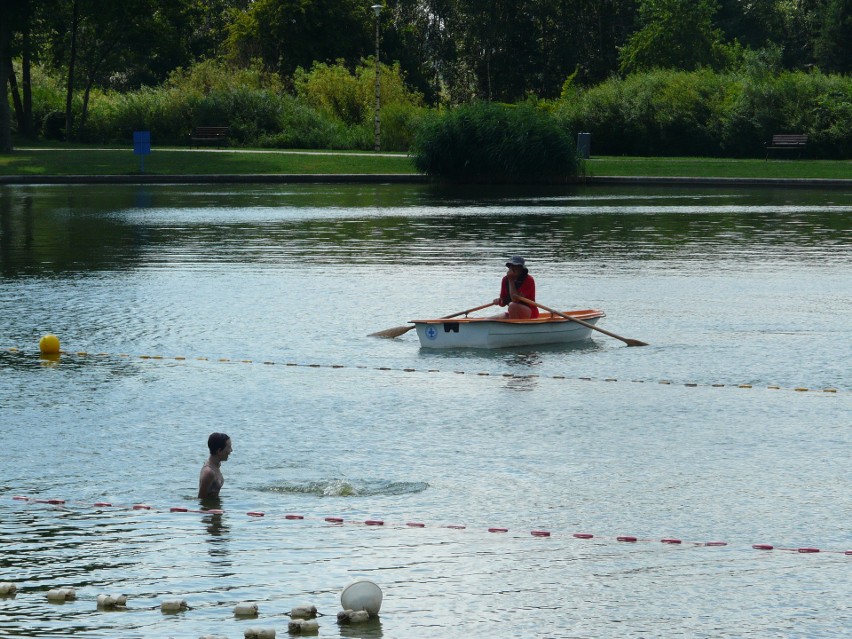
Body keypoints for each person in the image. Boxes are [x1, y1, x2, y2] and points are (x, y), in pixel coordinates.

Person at [198, 432, 232, 499]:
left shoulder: (216, 466)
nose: (231, 450)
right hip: (209, 509)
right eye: (229, 447)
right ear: (219, 451)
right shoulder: (209, 472)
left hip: (216, 507)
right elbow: (201, 499)